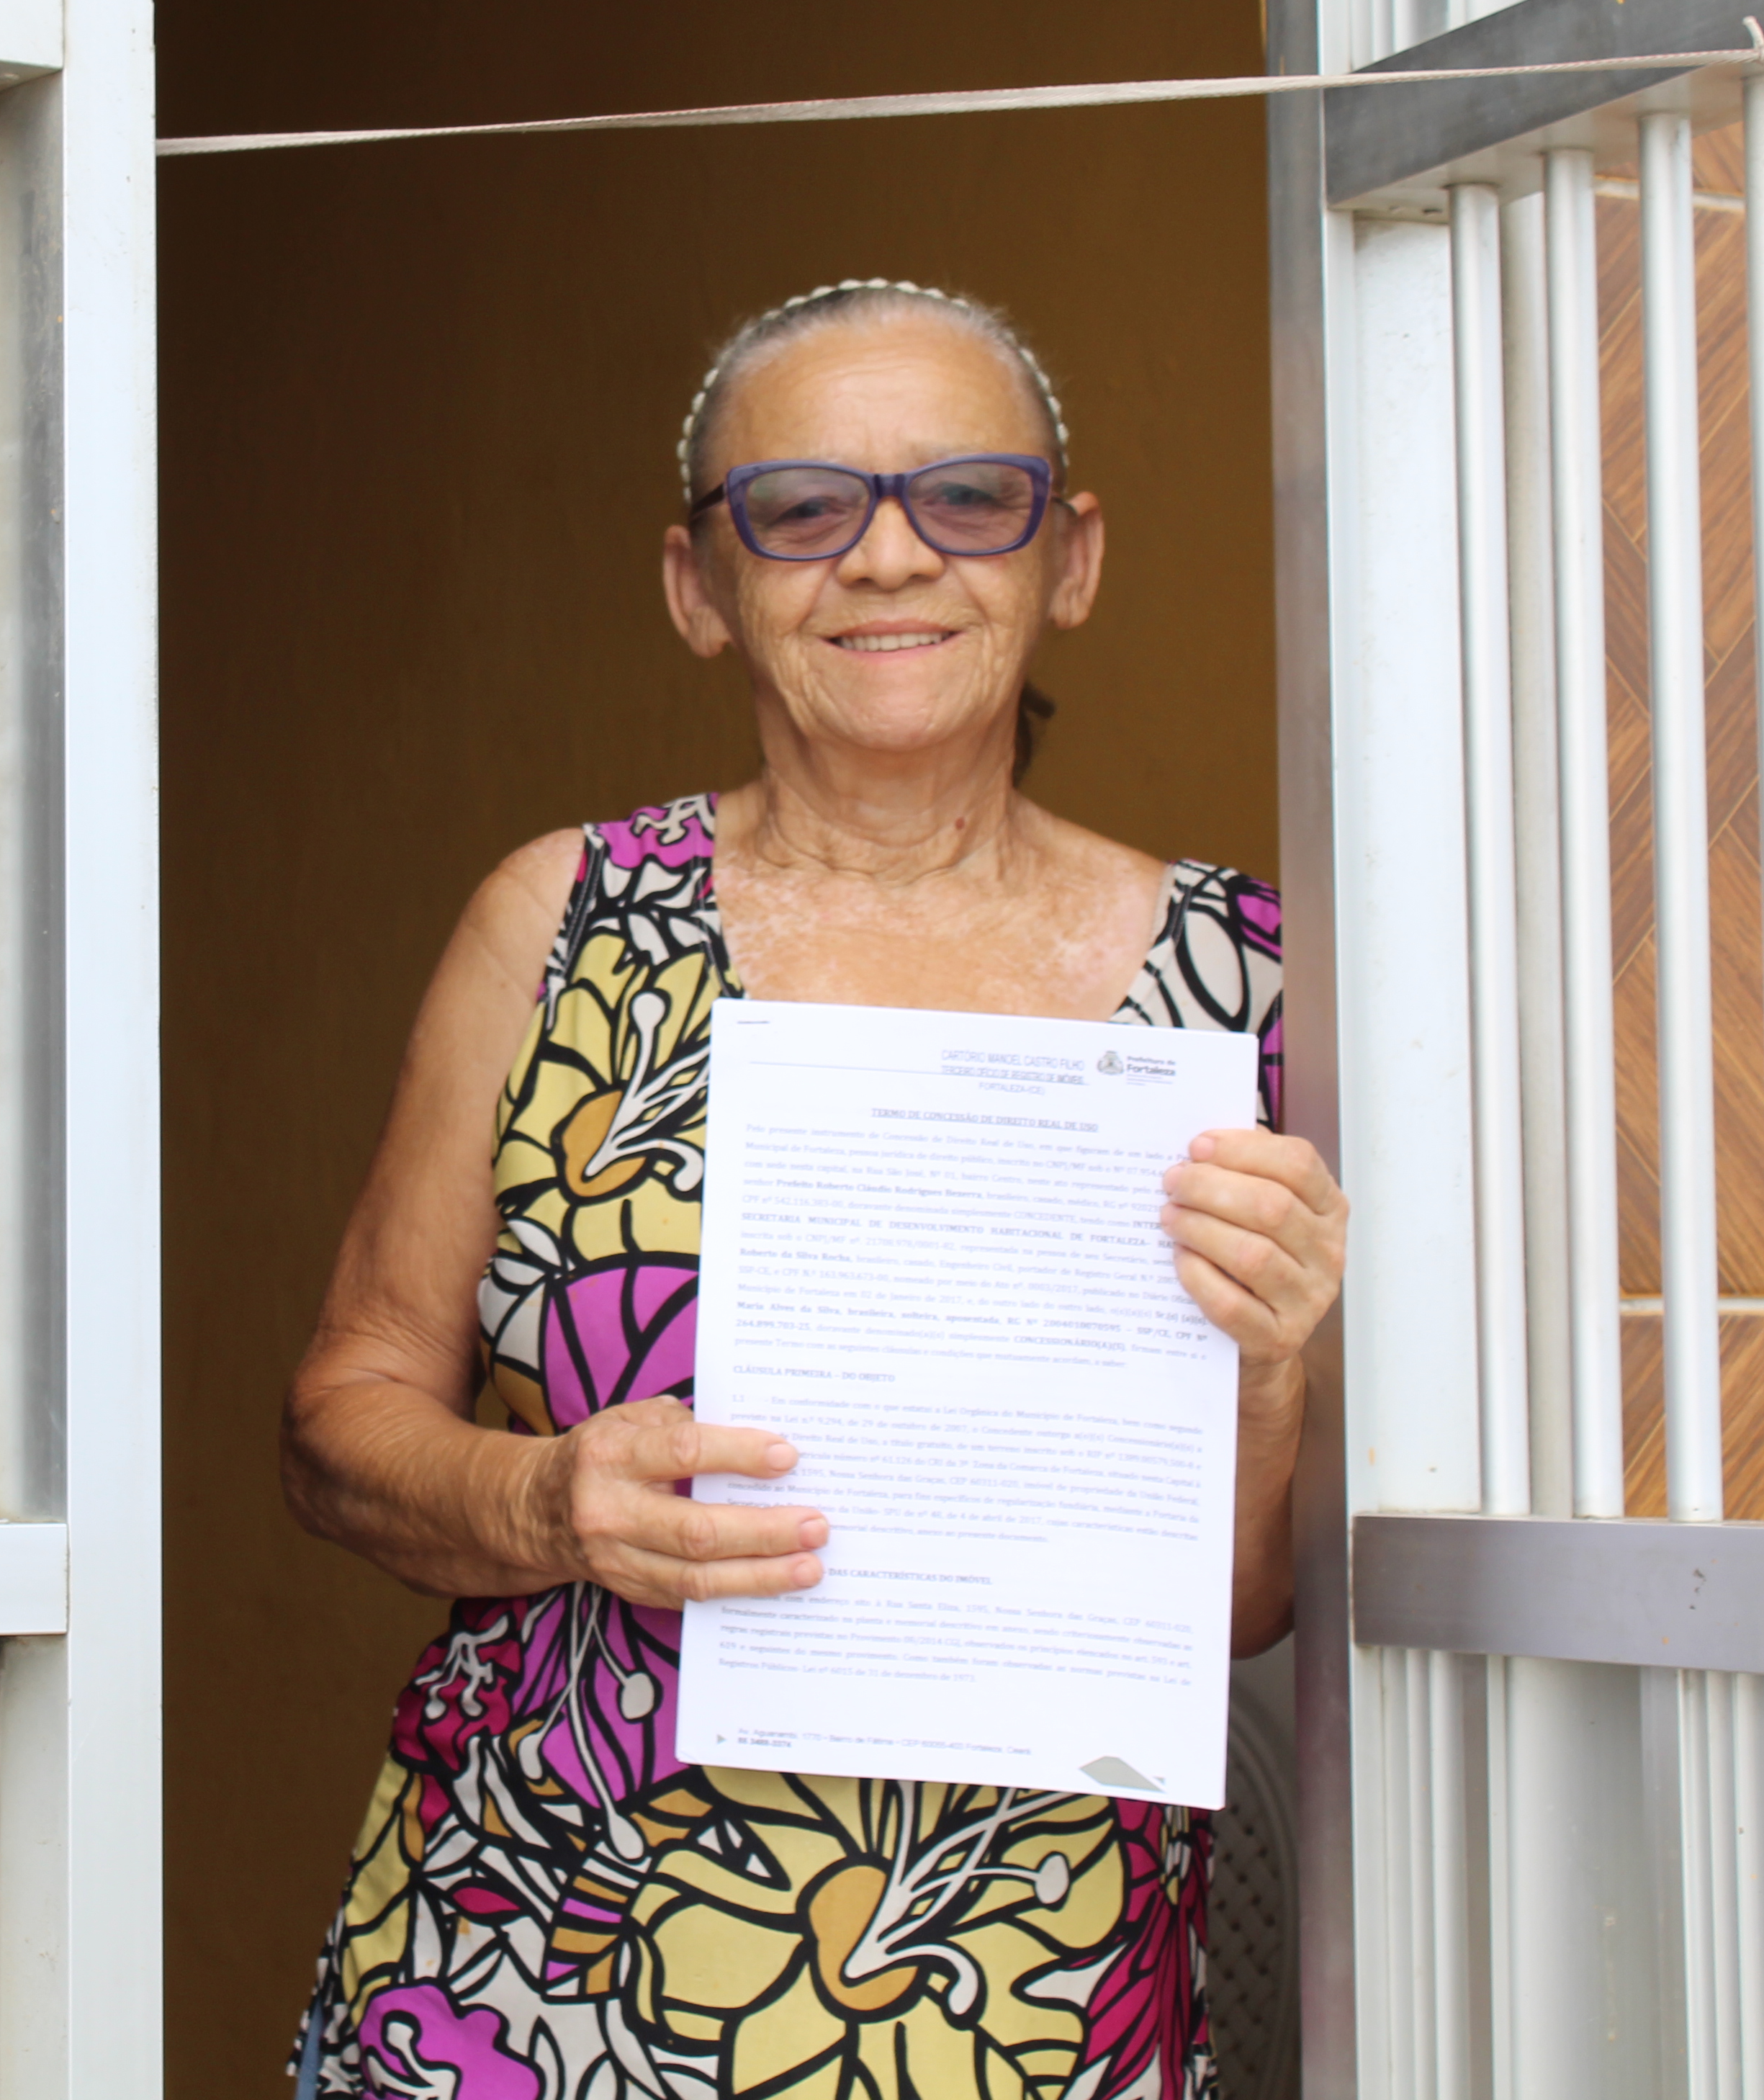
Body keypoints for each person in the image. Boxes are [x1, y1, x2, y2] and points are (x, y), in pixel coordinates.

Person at [278, 280, 1348, 2099]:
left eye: (968, 497)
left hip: (1033, 1992)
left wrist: (1266, 1373)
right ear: (701, 587)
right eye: (802, 507)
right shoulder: (562, 928)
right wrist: (548, 1500)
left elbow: (1239, 1611)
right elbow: (339, 1419)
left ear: (1067, 558)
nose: (887, 559)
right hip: (536, 1973)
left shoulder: (1247, 987)